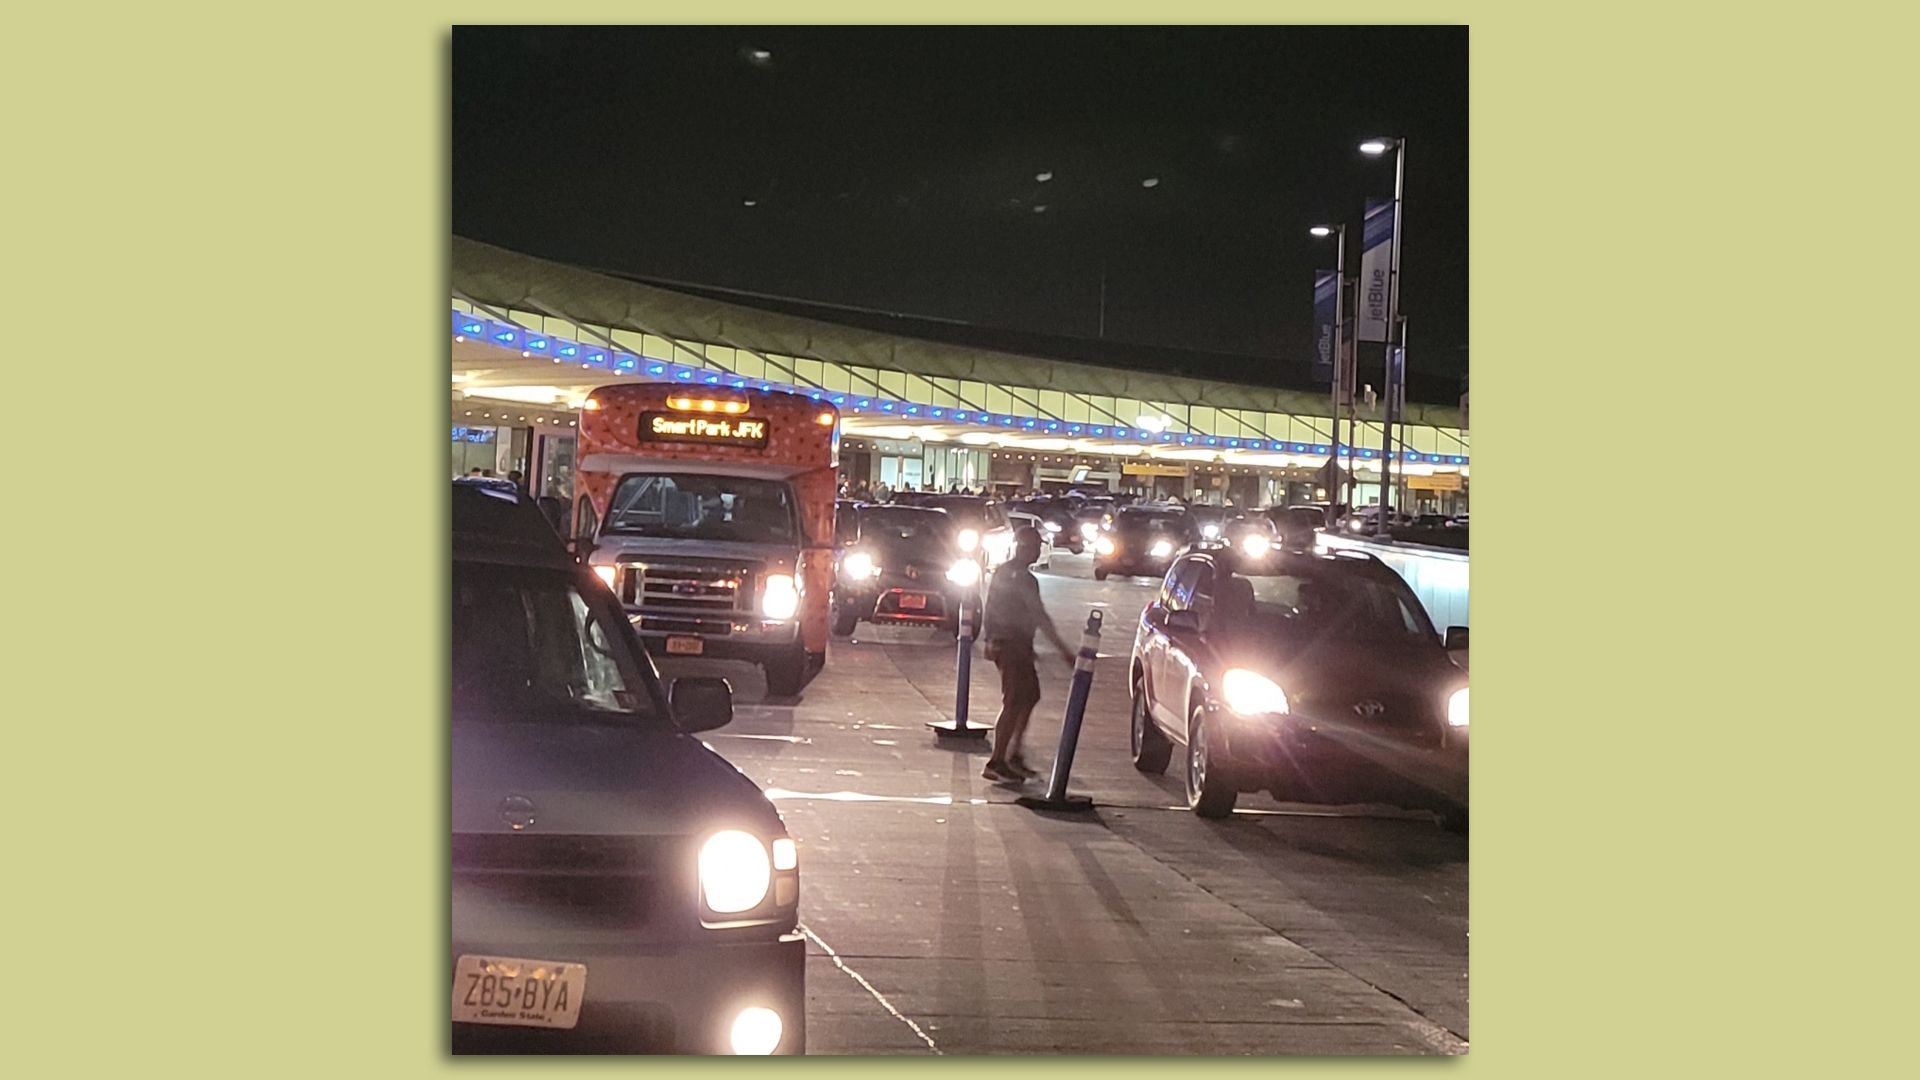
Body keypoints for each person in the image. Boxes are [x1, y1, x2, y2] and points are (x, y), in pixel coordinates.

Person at [979, 526, 1074, 784]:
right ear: (1026, 547)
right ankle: (997, 760)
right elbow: (1038, 614)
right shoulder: (1023, 578)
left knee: (1030, 695)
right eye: (1036, 546)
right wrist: (1064, 650)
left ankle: (1014, 753)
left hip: (1012, 644)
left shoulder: (1003, 572)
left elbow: (989, 608)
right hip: (1012, 645)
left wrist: (989, 638)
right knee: (1014, 701)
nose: (1039, 550)